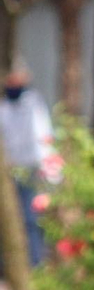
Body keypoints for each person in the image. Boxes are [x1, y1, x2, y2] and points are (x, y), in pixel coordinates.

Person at [0, 62, 62, 268]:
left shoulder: (33, 105)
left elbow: (43, 137)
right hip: (8, 172)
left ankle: (34, 264)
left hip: (30, 170)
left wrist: (51, 171)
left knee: (30, 219)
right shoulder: (4, 107)